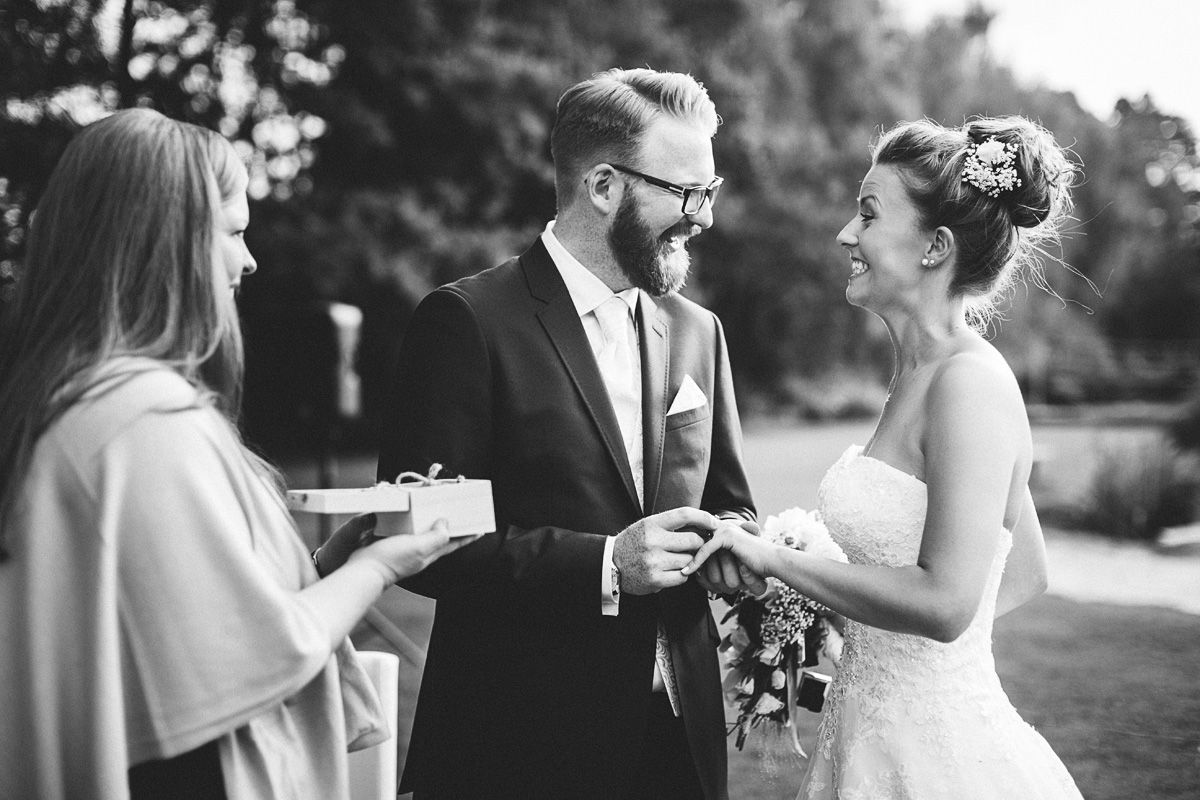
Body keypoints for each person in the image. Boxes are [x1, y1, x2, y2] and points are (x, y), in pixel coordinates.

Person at [0, 108, 471, 800]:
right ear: (169, 240)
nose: (248, 259)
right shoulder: (143, 420)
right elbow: (258, 652)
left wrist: (322, 568)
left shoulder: (75, 401)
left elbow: (182, 626)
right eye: (234, 231)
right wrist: (378, 568)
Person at [375, 67, 758, 799]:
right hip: (520, 744)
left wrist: (731, 544)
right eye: (684, 193)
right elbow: (423, 548)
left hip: (680, 741)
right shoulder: (468, 322)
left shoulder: (698, 332)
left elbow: (731, 500)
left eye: (709, 193)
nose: (703, 217)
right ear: (604, 186)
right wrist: (608, 563)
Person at [682, 116, 1087, 799]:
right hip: (869, 732)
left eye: (867, 213)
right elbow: (1020, 573)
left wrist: (780, 562)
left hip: (941, 757)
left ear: (936, 246)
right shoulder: (916, 377)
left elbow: (951, 602)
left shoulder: (969, 384)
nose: (846, 234)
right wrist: (843, 619)